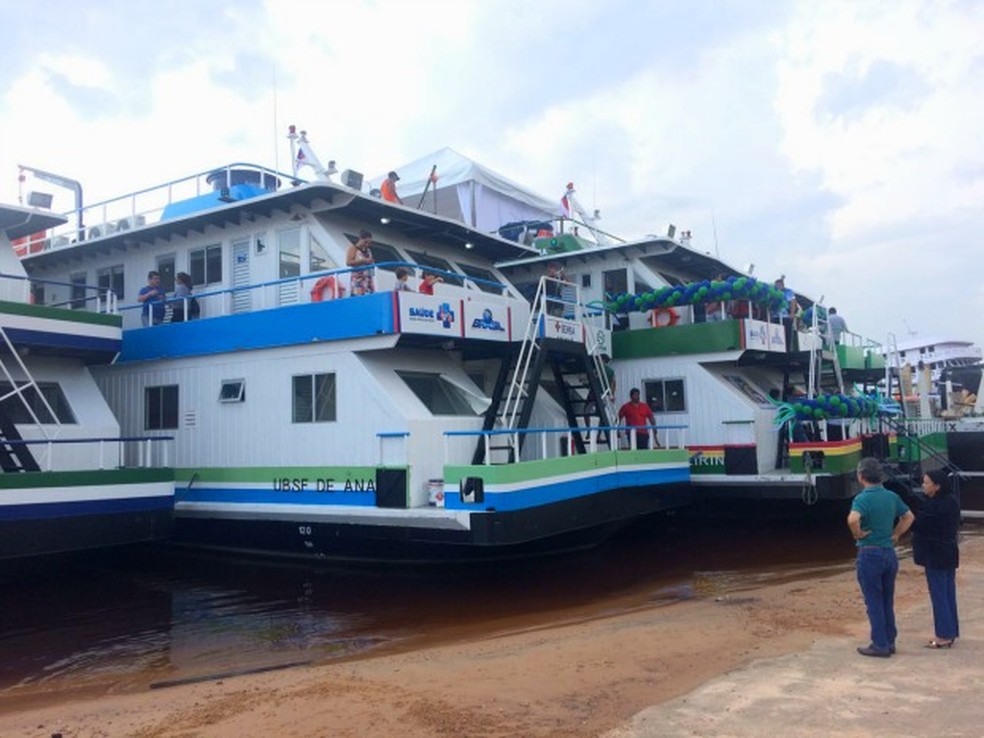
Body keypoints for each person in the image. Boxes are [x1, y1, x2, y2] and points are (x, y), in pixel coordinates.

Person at [847, 457, 915, 657]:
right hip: (888, 552)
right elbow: (909, 516)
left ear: (861, 476)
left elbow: (852, 519)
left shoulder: (862, 499)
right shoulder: (891, 496)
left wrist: (857, 534)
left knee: (873, 601)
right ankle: (889, 639)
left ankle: (880, 643)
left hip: (869, 553)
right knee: (887, 599)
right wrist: (896, 534)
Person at [911, 469, 961, 648]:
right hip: (949, 551)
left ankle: (944, 634)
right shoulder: (952, 501)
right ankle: (951, 630)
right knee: (948, 593)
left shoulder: (934, 506)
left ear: (937, 486)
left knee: (939, 594)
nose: (923, 485)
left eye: (926, 482)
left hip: (935, 554)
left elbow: (917, 525)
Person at [346, 229, 375, 296]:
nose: (367, 244)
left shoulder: (368, 250)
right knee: (358, 297)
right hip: (358, 280)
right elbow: (348, 262)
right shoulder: (353, 248)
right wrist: (363, 261)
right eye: (365, 242)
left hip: (368, 279)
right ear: (360, 239)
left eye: (369, 243)